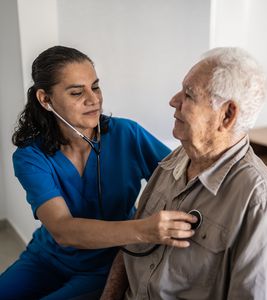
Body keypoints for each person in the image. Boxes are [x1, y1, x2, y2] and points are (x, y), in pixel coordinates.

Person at [101, 47, 267, 300]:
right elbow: (131, 245)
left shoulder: (260, 204)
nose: (173, 101)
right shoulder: (175, 159)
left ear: (227, 115)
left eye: (189, 94)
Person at [0, 46, 197, 300]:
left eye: (95, 87)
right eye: (76, 92)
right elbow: (63, 230)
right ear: (45, 100)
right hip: (46, 258)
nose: (93, 100)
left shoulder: (127, 134)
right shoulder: (30, 156)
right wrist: (145, 229)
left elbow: (182, 175)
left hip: (104, 265)